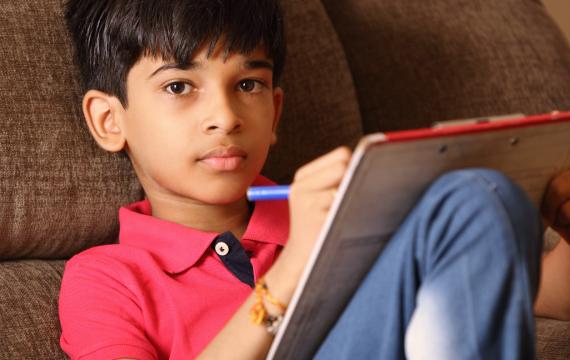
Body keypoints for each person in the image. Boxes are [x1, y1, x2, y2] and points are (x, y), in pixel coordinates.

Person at [58, 0, 569, 359]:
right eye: (178, 85)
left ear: (274, 112)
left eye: (248, 83)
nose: (226, 116)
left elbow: (533, 296)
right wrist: (294, 268)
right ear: (109, 120)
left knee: (479, 195)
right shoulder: (105, 278)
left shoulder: (345, 213)